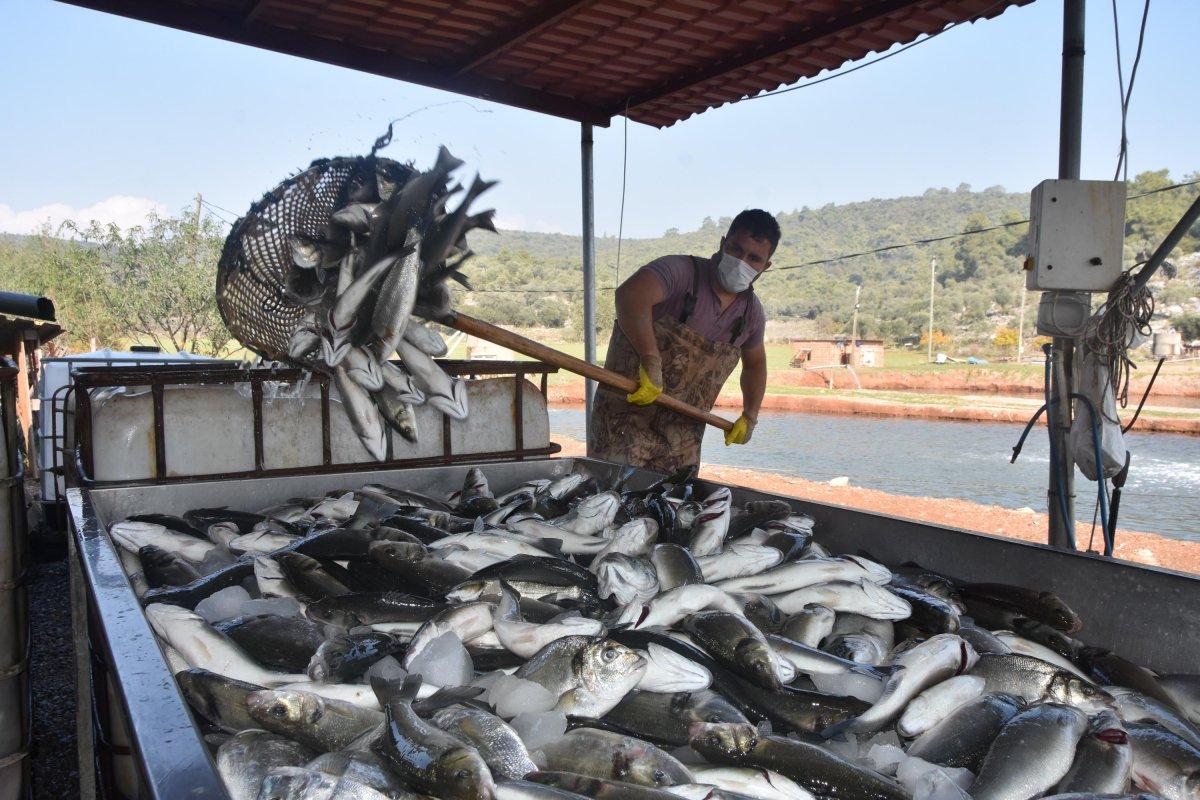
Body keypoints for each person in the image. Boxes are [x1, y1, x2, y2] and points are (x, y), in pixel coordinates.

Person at [587, 209, 778, 472]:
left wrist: (750, 415)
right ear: (723, 244)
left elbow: (755, 364)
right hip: (623, 424)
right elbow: (630, 296)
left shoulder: (751, 314)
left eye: (754, 258)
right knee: (611, 500)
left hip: (682, 440)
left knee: (673, 506)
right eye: (736, 249)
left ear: (765, 267)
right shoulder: (681, 272)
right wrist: (650, 361)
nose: (741, 261)